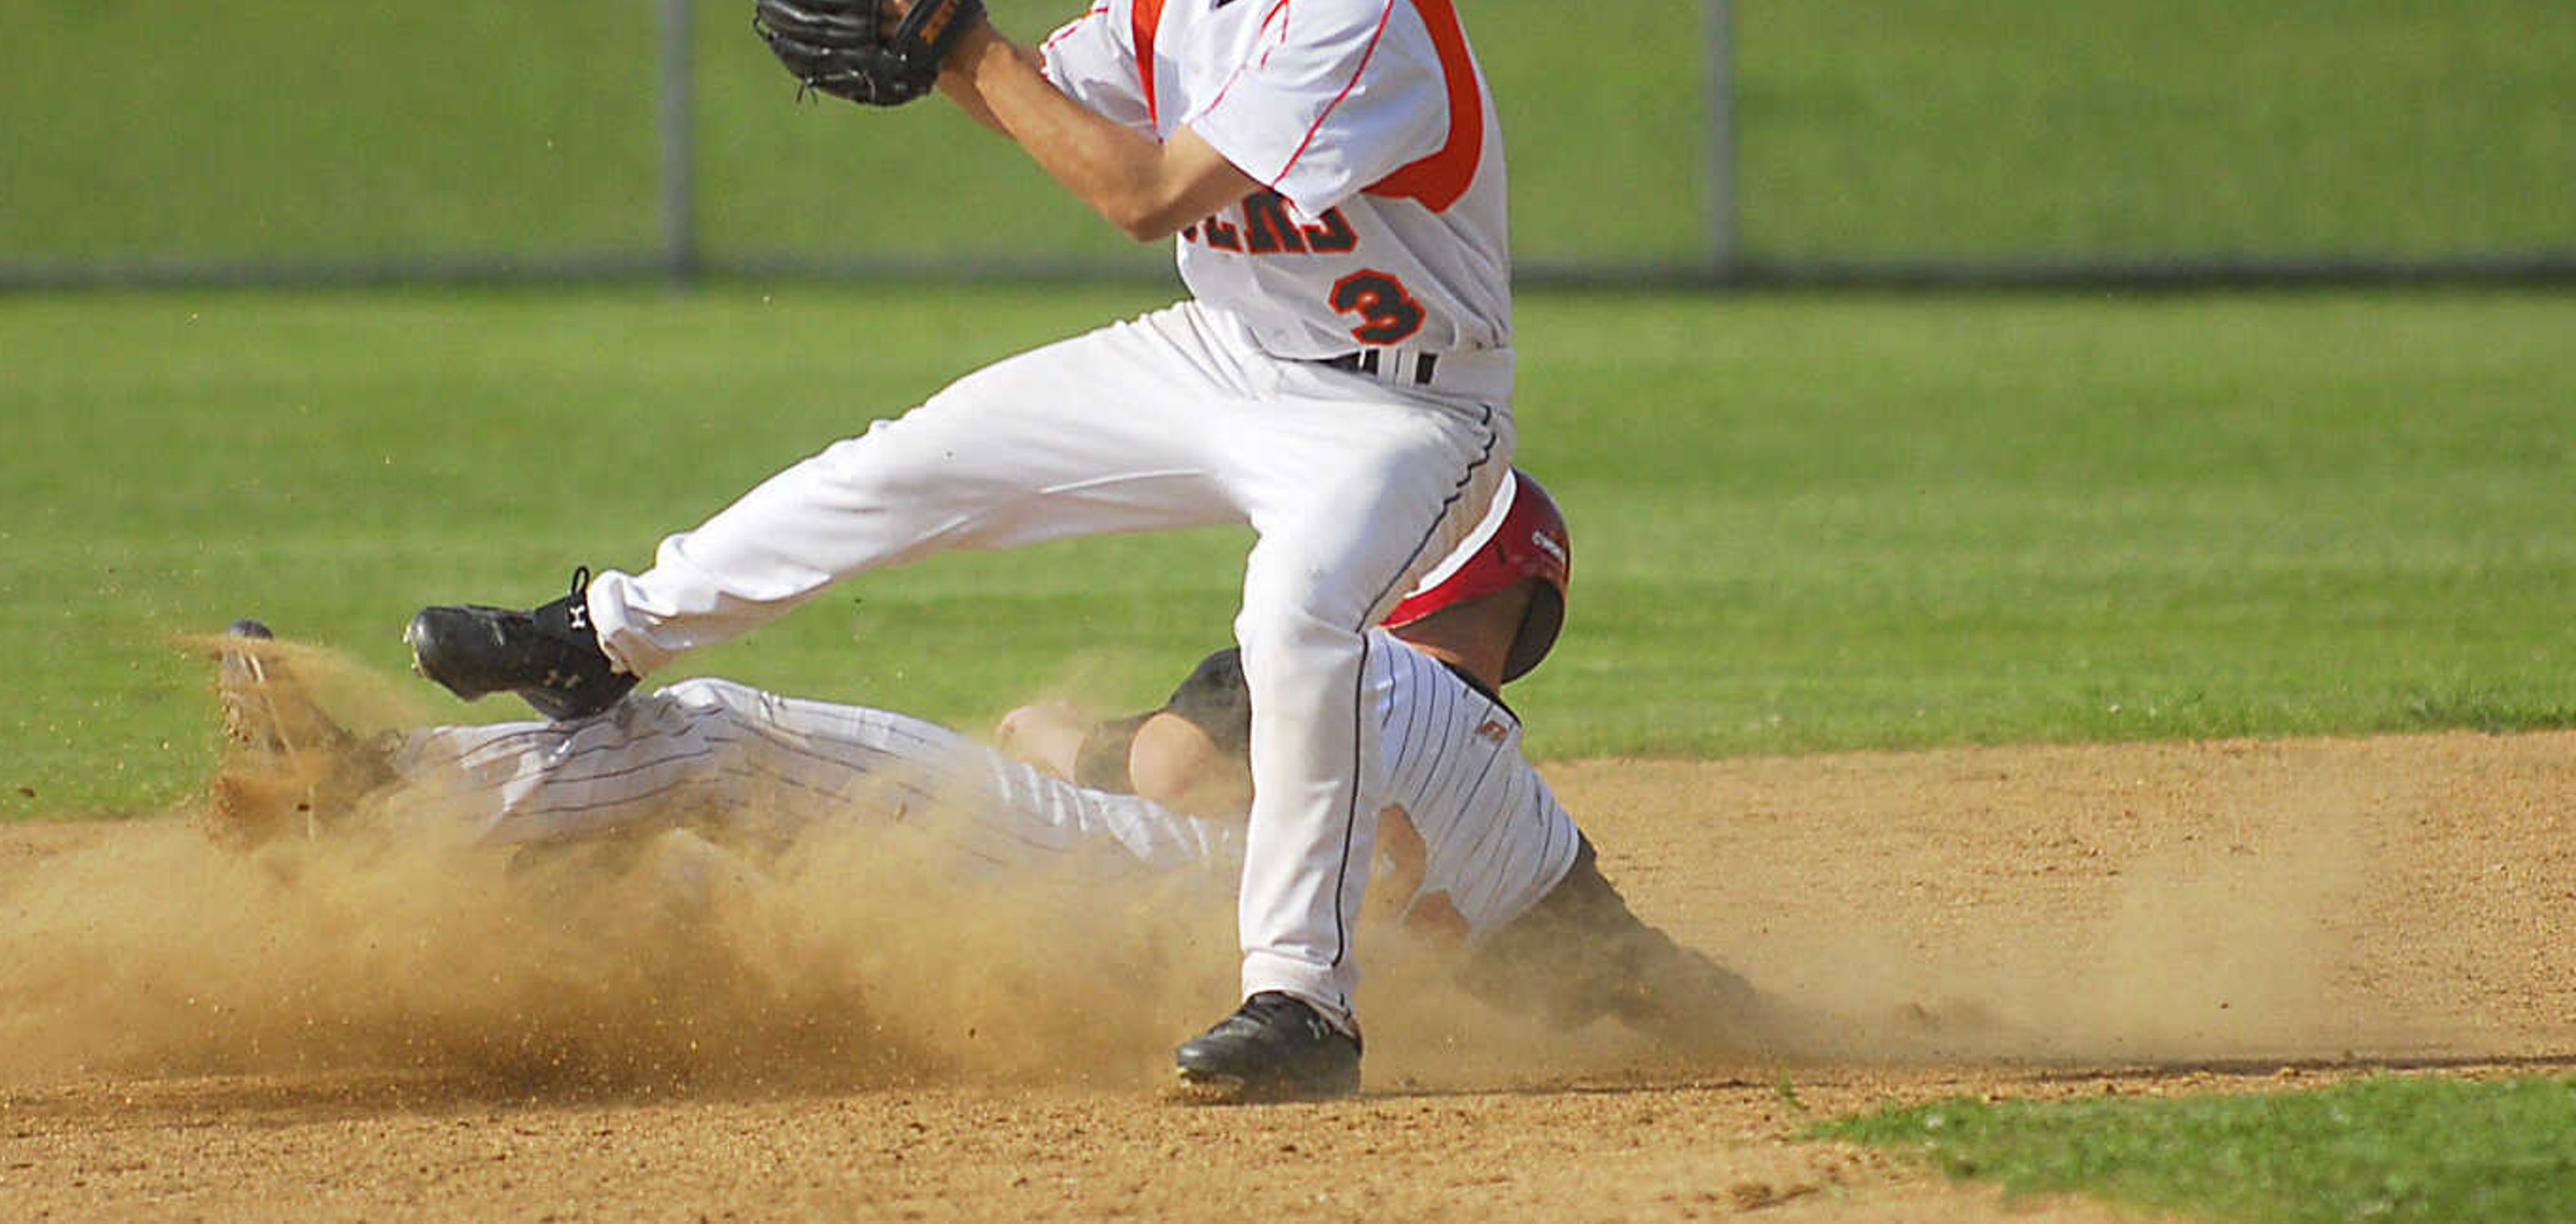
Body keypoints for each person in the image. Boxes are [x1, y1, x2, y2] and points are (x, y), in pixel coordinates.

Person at [402, 0, 1519, 1100]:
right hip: (1233, 350)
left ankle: (1302, 1002)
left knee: (1296, 623)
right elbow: (1063, 96)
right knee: (917, 460)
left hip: (1405, 413)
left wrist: (961, 44)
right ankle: (600, 636)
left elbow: (1139, 190)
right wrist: (932, 48)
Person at [218, 475, 1768, 1084]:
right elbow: (1647, 984)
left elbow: (1172, 768)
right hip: (1198, 992)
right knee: (720, 838)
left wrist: (1067, 743)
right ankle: (479, 982)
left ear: (1427, 554)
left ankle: (364, 802)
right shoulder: (1536, 822)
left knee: (717, 736)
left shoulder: (1339, 651)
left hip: (1128, 898)